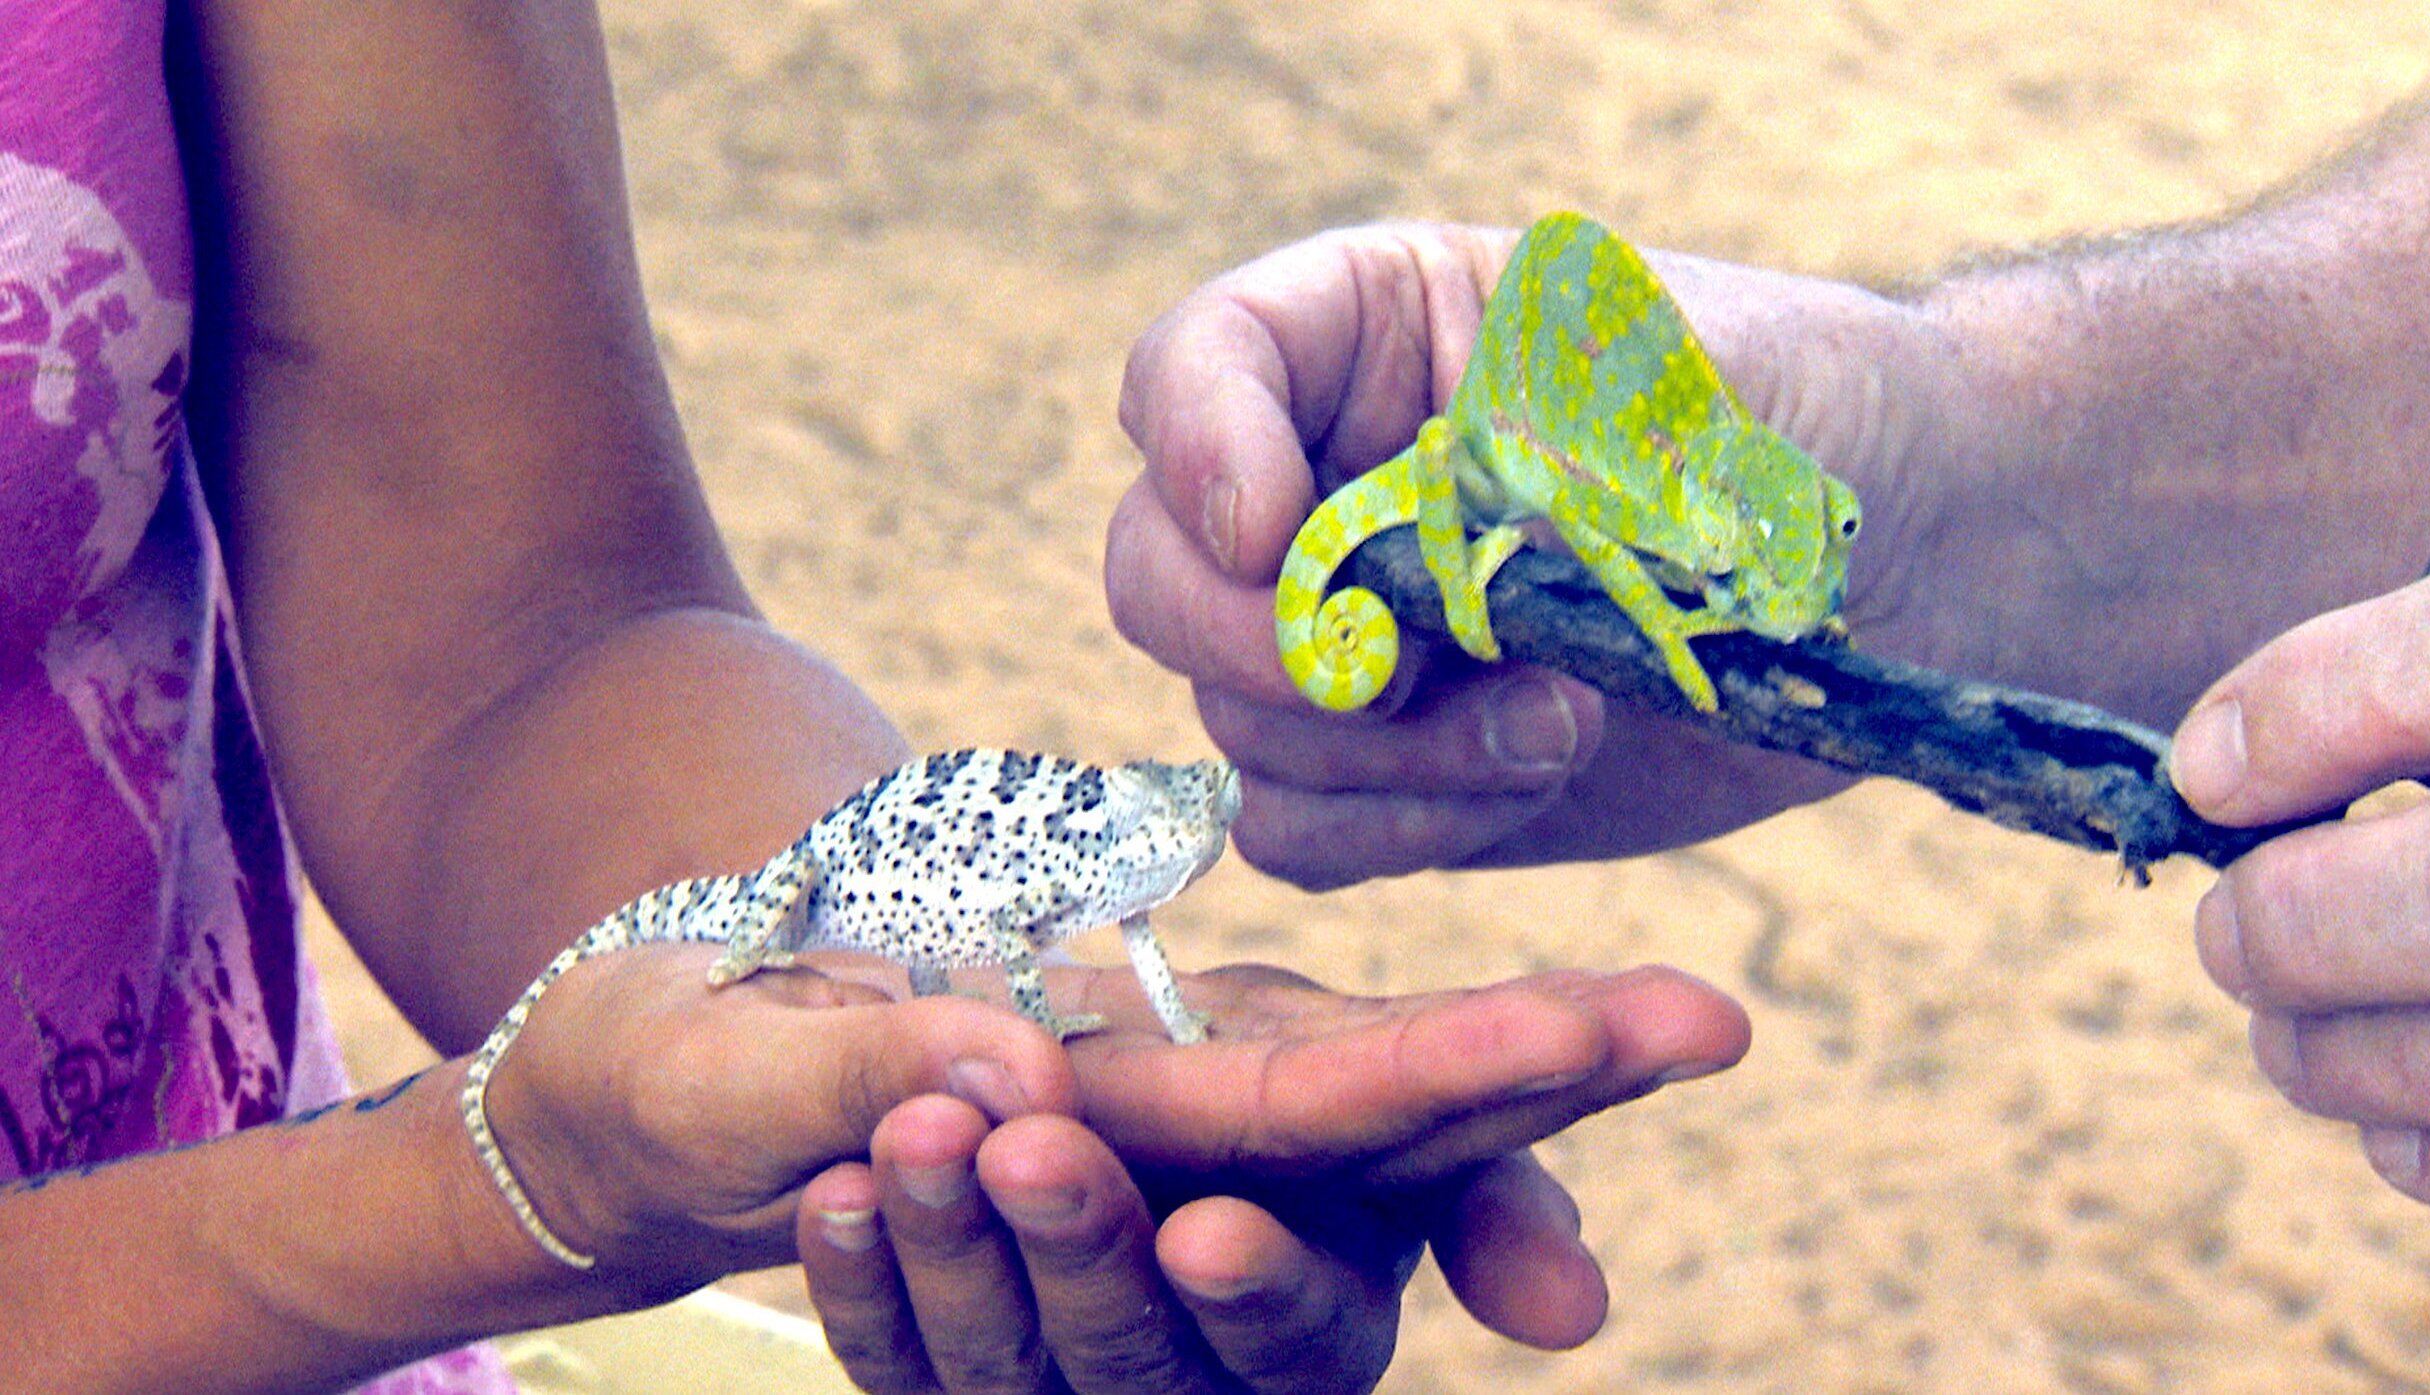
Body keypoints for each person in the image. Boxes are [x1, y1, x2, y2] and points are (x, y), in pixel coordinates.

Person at [0, 3, 1759, 1392]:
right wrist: (494, 1188)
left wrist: (937, 1052)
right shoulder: (484, 1189)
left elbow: (523, 627)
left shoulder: (1100, 881)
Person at [1107, 54, 2430, 1230]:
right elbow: (1595, 509)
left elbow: (1708, 534)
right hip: (1493, 470)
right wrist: (1979, 476)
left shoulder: (1745, 505)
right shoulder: (1697, 488)